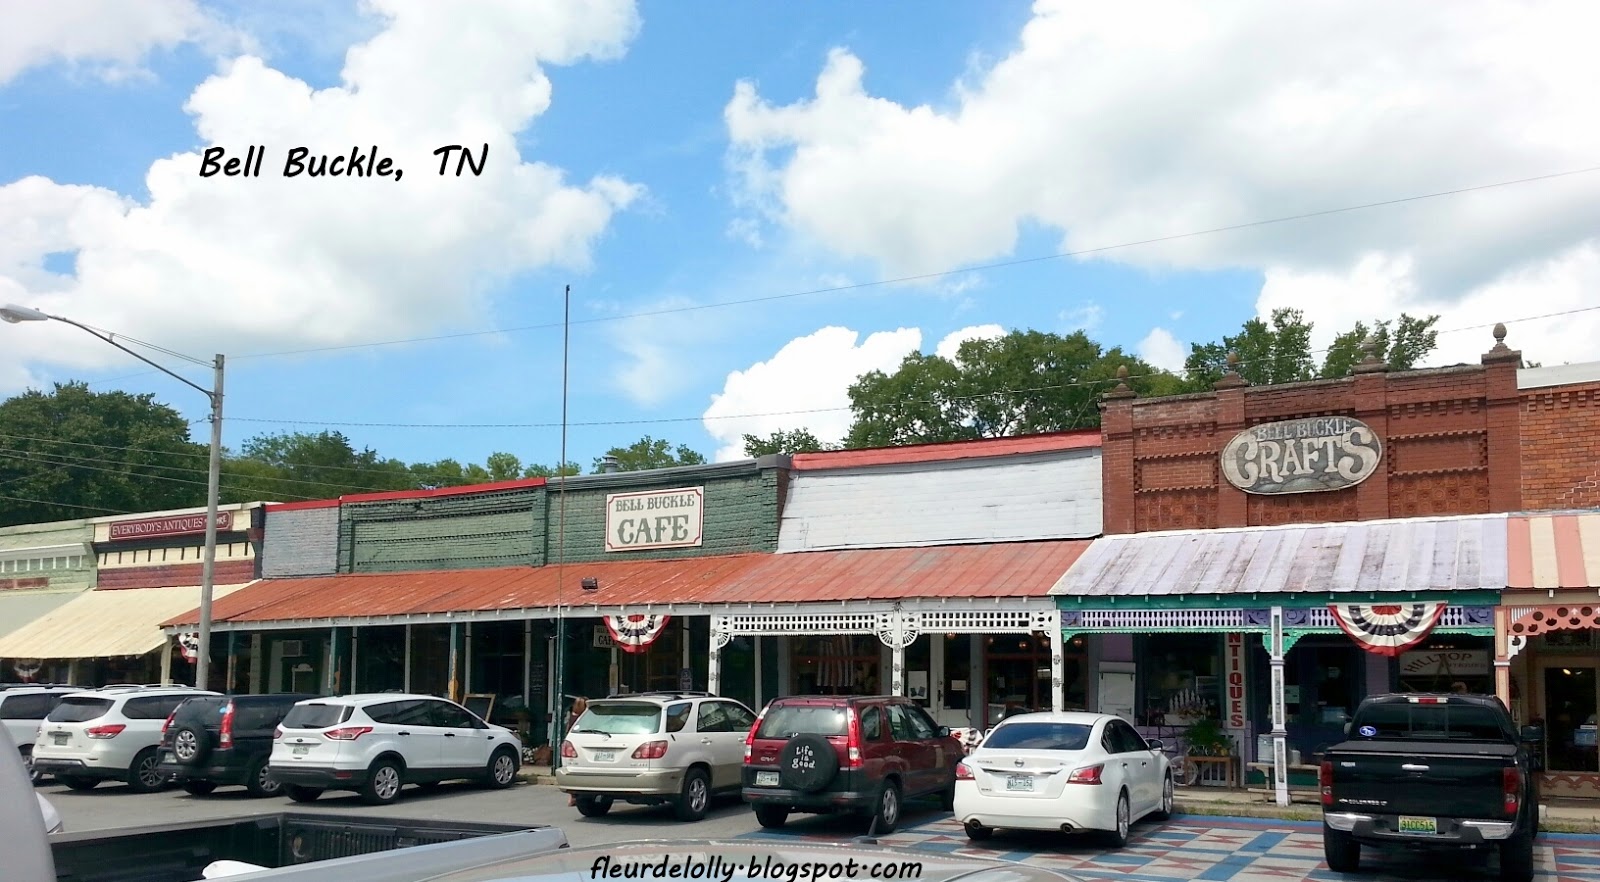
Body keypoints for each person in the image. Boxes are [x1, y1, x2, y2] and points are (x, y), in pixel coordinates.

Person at [564, 697, 588, 807]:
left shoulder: (571, 717)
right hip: (582, 746)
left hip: (573, 745)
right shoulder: (584, 718)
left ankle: (572, 797)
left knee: (572, 770)